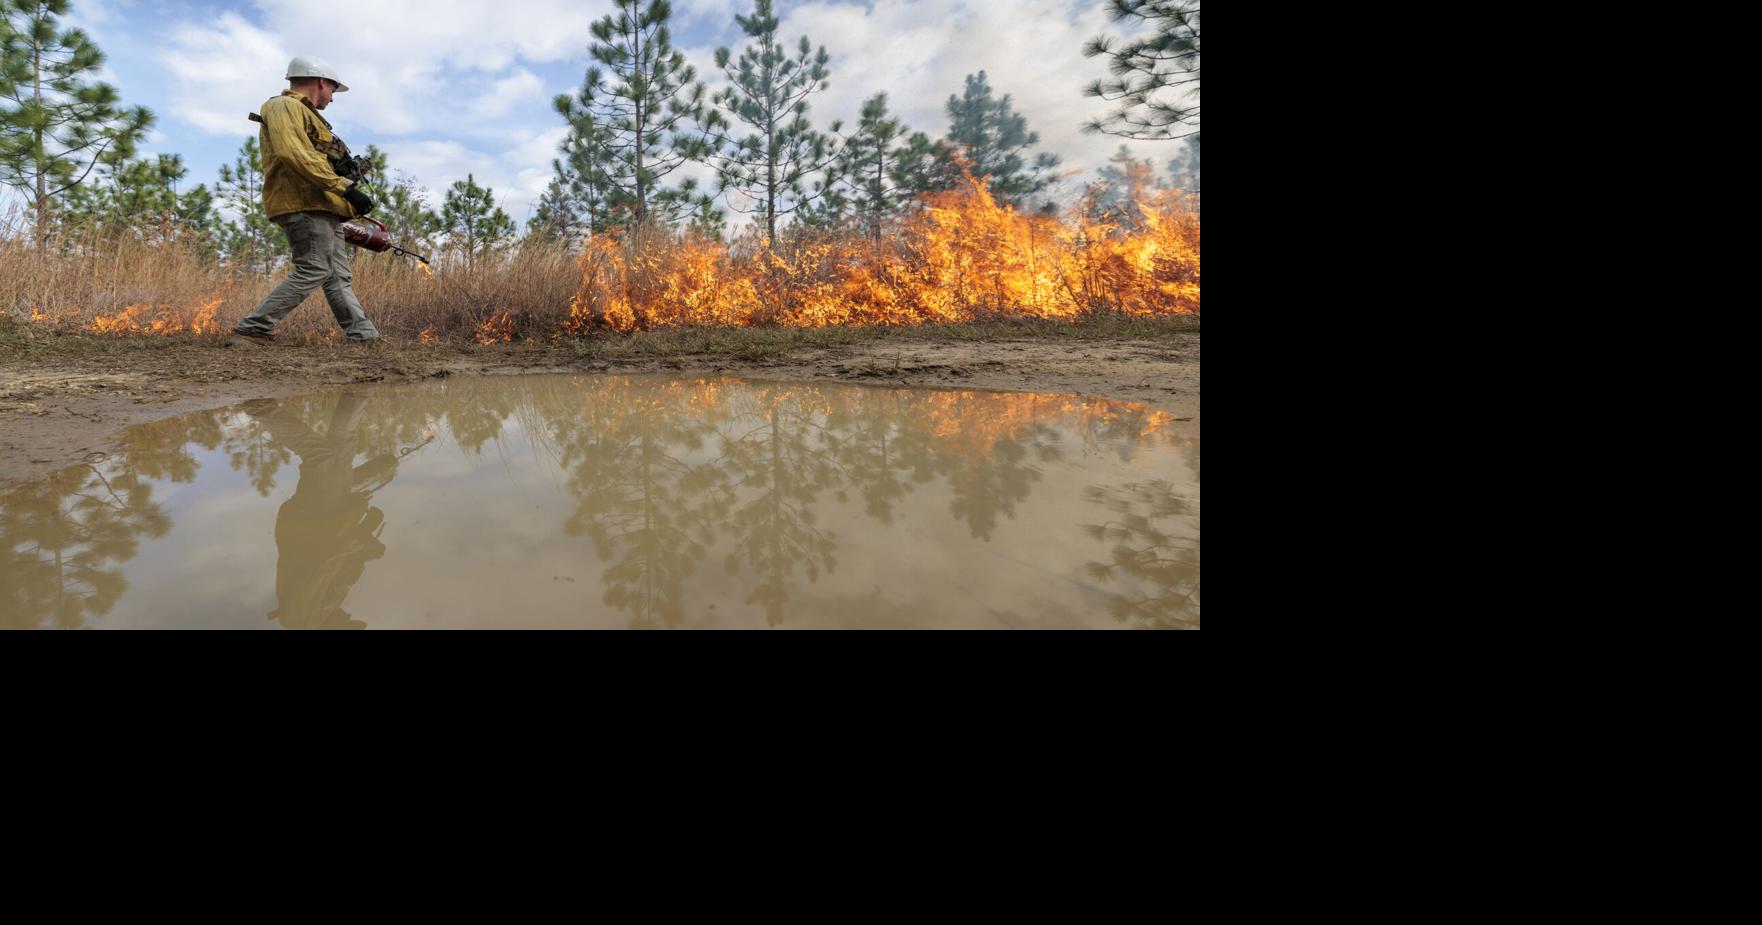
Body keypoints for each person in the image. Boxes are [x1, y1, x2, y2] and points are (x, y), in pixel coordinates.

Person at [231, 55, 381, 346]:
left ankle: (364, 337)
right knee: (314, 268)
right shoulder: (283, 106)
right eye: (333, 91)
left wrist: (345, 194)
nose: (333, 99)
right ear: (322, 82)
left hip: (323, 206)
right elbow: (294, 154)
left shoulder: (307, 114)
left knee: (337, 275)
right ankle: (253, 328)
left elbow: (316, 158)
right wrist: (345, 188)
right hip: (303, 203)